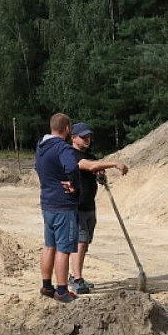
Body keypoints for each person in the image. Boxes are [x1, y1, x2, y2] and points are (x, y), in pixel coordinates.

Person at [66, 122, 128, 294]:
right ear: (73, 137)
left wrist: (100, 176)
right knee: (80, 241)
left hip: (88, 206)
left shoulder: (89, 155)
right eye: (83, 136)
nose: (87, 139)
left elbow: (94, 169)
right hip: (76, 206)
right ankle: (77, 280)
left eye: (89, 136)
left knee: (84, 244)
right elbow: (91, 166)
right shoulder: (71, 155)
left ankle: (74, 275)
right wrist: (114, 164)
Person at [34, 113, 81, 303]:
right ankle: (62, 291)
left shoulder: (41, 146)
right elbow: (72, 167)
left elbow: (37, 167)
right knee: (64, 249)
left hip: (47, 203)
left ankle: (47, 286)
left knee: (49, 246)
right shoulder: (63, 148)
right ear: (67, 128)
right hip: (63, 205)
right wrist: (74, 185)